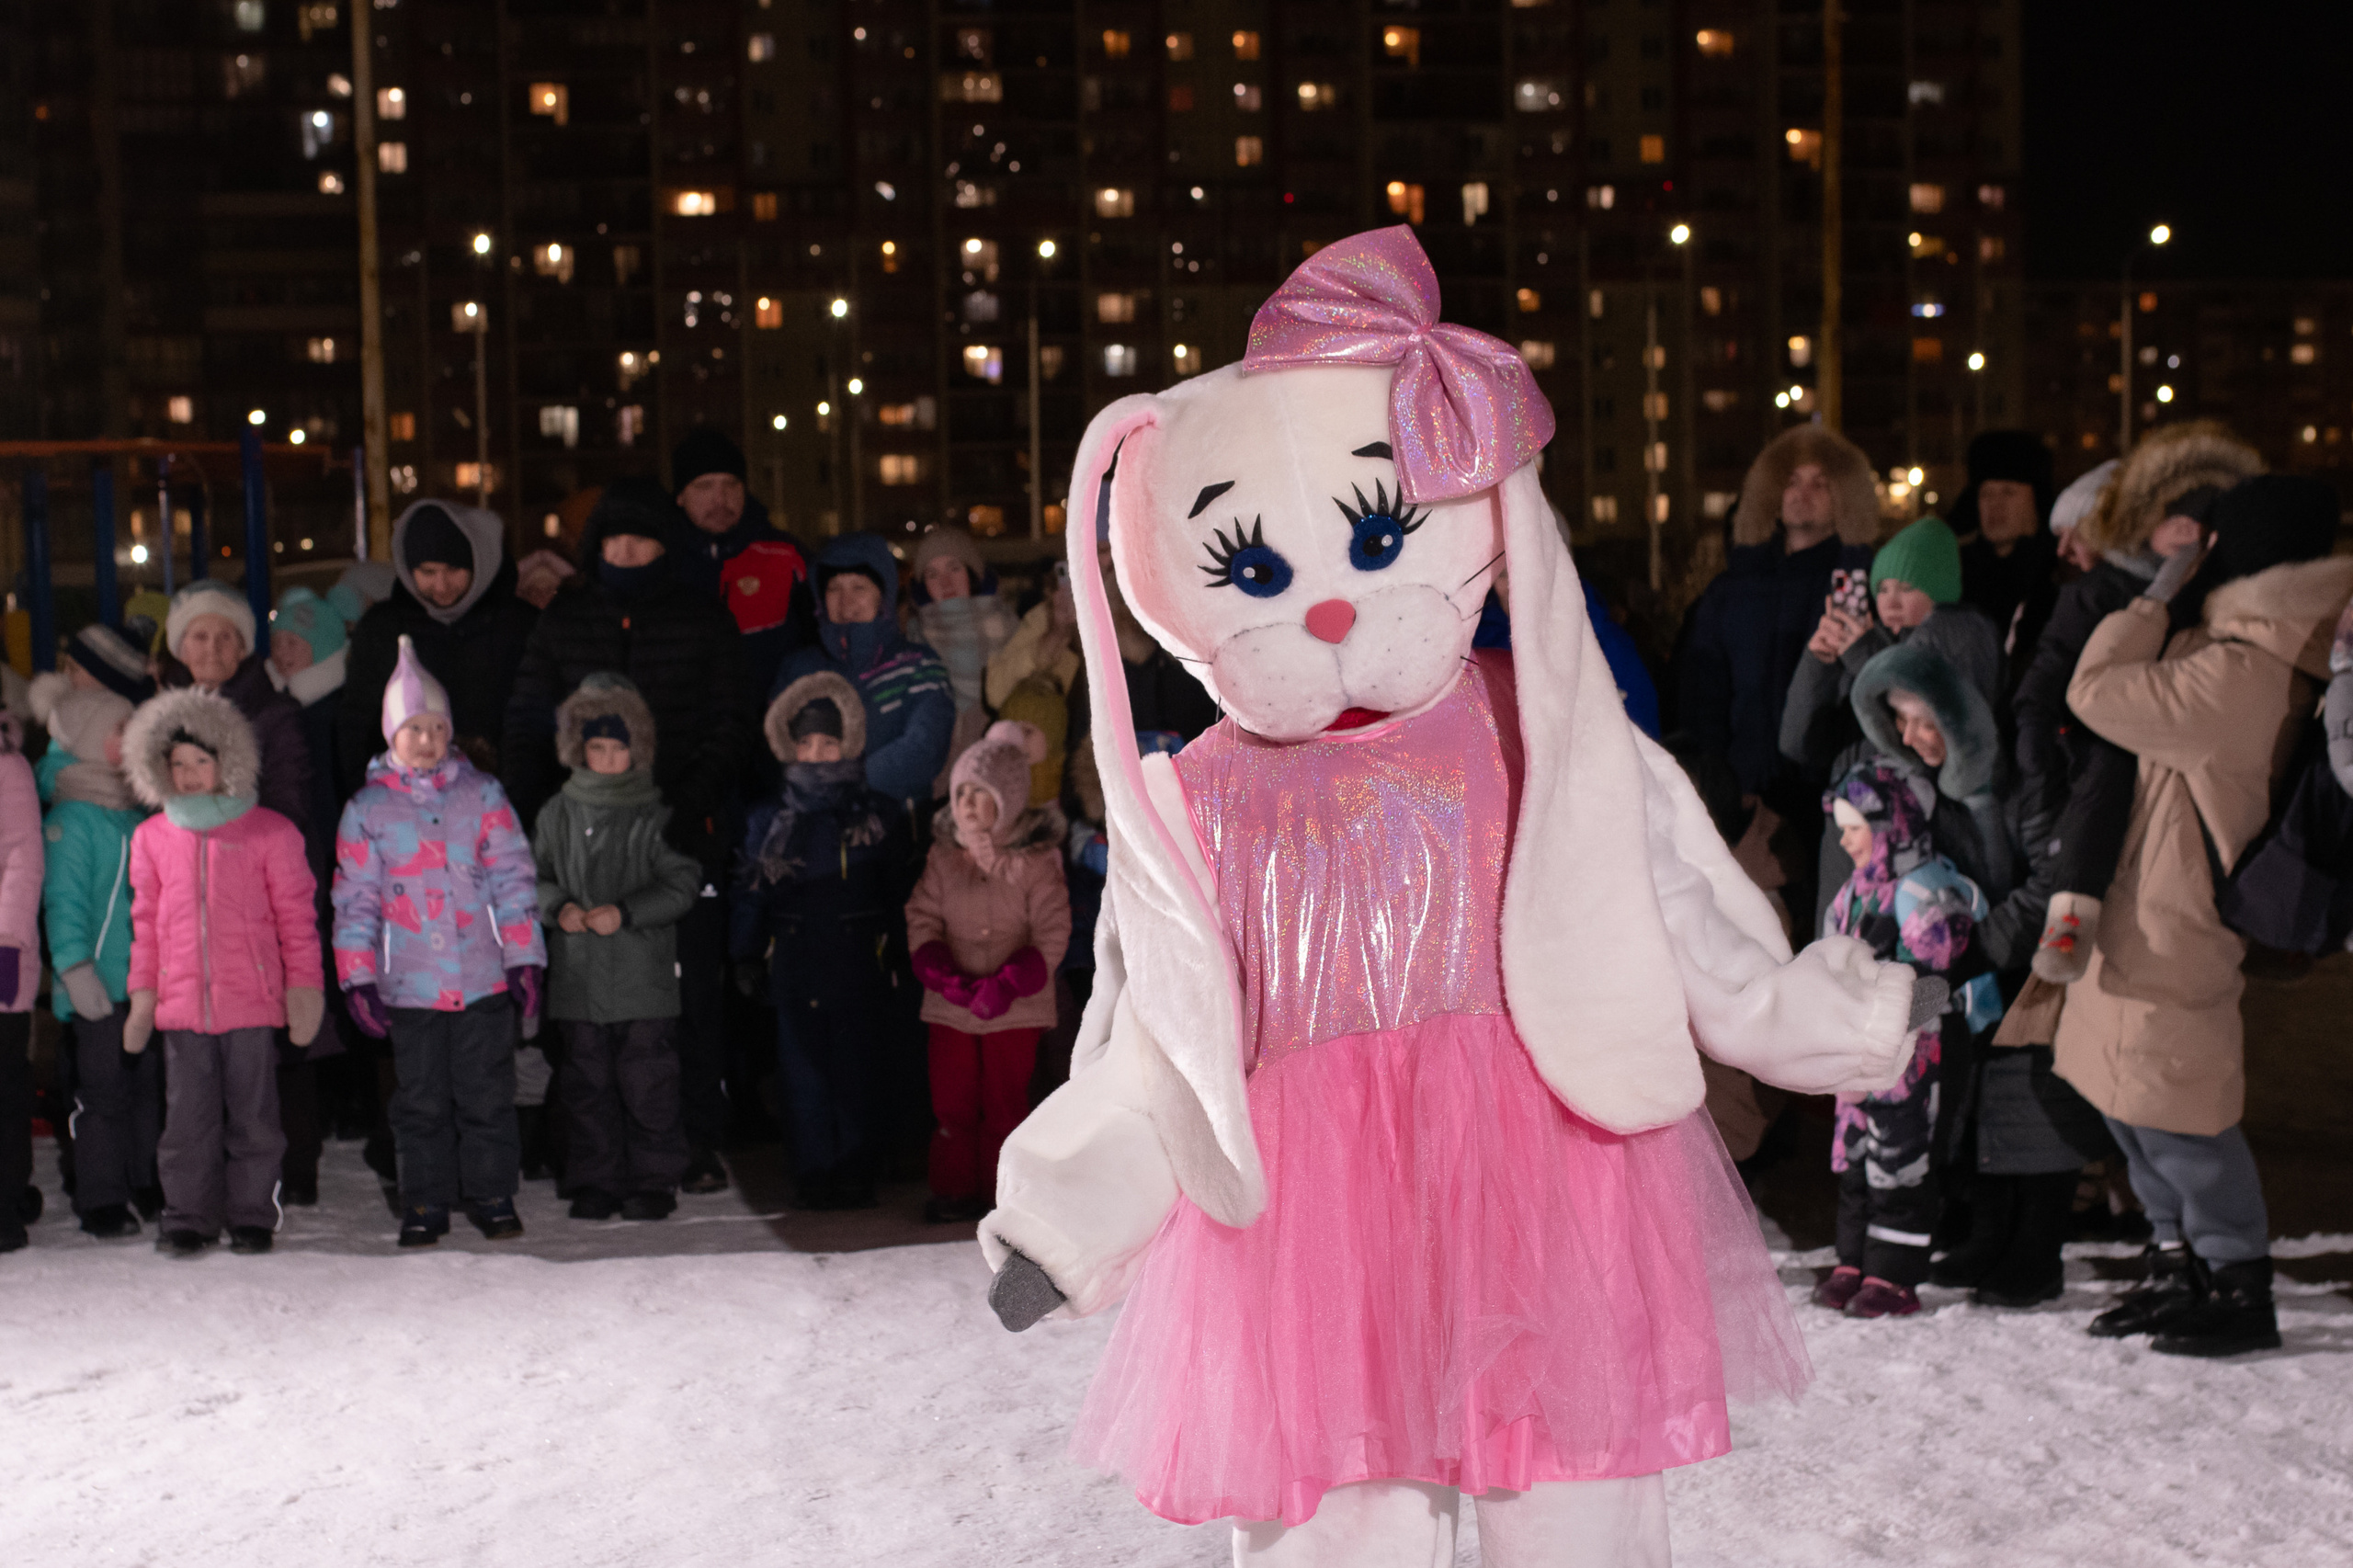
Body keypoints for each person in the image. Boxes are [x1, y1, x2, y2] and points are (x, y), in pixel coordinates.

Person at [2056, 474, 2353, 1358]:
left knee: (2181, 1115)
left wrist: (2153, 595)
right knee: (2128, 1099)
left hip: (2174, 922)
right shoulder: (2243, 651)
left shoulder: (2239, 671)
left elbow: (2096, 690)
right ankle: (2182, 1265)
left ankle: (2237, 1282)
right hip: (2149, 908)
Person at [1845, 638, 2110, 1307]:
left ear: (1960, 714)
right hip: (1970, 962)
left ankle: (2037, 1246)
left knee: (2035, 1091)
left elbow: (2053, 877)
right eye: (1900, 721)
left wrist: (1977, 947)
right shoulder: (1919, 789)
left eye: (1924, 719)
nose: (1911, 735)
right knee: (1970, 1084)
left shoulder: (2023, 770)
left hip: (2044, 950)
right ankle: (1988, 1230)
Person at [504, 478, 749, 1195]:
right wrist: (542, 820)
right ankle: (589, 1153)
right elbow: (526, 723)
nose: (628, 552)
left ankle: (692, 1140)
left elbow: (730, 719)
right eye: (615, 541)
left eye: (640, 540)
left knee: (685, 1005)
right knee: (585, 1016)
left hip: (676, 839)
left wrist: (684, 806)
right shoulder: (564, 621)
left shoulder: (701, 618)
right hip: (582, 847)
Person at [2018, 426, 2264, 982]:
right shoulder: (2094, 594)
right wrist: (2042, 794)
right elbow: (2046, 694)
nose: (2063, 549)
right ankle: (2070, 916)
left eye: (2074, 530)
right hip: (2095, 775)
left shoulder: (2209, 595)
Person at [335, 638, 546, 1248]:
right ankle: (424, 1199)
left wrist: (524, 956)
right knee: (421, 1100)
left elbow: (513, 879)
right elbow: (355, 900)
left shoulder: (482, 797)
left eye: (436, 727)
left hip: (481, 976)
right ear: (390, 735)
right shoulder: (368, 810)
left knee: (487, 1091)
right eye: (412, 728)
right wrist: (359, 976)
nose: (426, 740)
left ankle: (492, 1192)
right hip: (411, 985)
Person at [121, 689, 325, 1257]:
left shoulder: (271, 833)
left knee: (255, 1117)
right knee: (186, 1120)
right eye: (178, 764)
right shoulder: (152, 838)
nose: (188, 775)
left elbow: (297, 919)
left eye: (201, 763)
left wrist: (304, 989)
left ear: (228, 763)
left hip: (251, 1003)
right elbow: (146, 924)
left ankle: (253, 1214)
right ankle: (188, 1216)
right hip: (182, 1007)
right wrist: (144, 994)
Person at [1811, 760, 1999, 1319]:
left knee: (1904, 1158)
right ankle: (1855, 1258)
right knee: (1857, 1151)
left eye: (1855, 828)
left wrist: (1888, 1015)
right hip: (1863, 1049)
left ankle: (1894, 1272)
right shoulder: (1852, 894)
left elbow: (1943, 980)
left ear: (1890, 825)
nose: (1845, 840)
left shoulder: (1927, 890)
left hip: (1921, 1052)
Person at [159, 579, 324, 1204]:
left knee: (270, 1043)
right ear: (181, 645)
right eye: (199, 635)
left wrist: (229, 844)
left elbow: (291, 801)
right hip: (186, 902)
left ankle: (283, 1180)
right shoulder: (162, 712)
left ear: (242, 647)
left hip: (255, 893)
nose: (211, 647)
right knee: (193, 1066)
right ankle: (192, 1195)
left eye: (225, 637)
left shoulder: (272, 712)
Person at [733, 672, 913, 1210]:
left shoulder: (876, 815)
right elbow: (751, 892)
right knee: (803, 1072)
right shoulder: (771, 818)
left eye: (827, 742)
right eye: (807, 743)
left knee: (858, 1068)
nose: (816, 754)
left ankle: (857, 1167)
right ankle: (813, 1171)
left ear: (848, 743)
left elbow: (899, 889)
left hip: (860, 956)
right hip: (795, 956)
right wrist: (744, 952)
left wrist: (904, 951)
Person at [1781, 515, 2002, 935]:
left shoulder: (1956, 642)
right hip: (1850, 846)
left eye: (1907, 588)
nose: (1891, 602)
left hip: (1913, 854)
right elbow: (1798, 742)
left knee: (1904, 982)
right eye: (1882, 589)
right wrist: (1818, 663)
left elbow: (1924, 717)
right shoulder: (1869, 647)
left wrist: (1864, 653)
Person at [533, 675, 699, 1221]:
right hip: (578, 981)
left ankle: (653, 1179)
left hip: (641, 980)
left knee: (648, 1083)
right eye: (595, 747)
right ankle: (594, 1180)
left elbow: (681, 882)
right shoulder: (557, 813)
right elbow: (530, 877)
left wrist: (625, 912)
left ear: (638, 750)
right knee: (585, 1086)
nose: (605, 758)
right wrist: (559, 906)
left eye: (617, 747)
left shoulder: (657, 814)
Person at [906, 721, 1072, 1226]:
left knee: (1004, 1101)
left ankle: (1002, 1194)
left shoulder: (1035, 862)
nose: (969, 806)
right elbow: (923, 917)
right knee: (952, 1099)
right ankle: (954, 1188)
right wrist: (941, 973)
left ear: (1009, 800)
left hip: (1012, 1009)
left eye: (983, 795)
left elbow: (1051, 931)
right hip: (952, 1009)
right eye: (962, 794)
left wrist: (1009, 983)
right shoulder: (943, 859)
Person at [1677, 426, 1880, 805]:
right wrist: (1714, 780)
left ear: (1845, 496)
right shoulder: (1732, 590)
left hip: (1832, 792)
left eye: (1820, 483)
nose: (1802, 494)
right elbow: (1701, 693)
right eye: (1791, 482)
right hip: (1743, 788)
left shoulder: (1861, 583)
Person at [40, 690, 158, 1240]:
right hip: (97, 984)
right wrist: (73, 965)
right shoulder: (72, 817)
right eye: (119, 729)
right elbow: (64, 901)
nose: (130, 737)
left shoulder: (138, 812)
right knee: (103, 1091)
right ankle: (102, 1196)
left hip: (144, 984)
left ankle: (145, 1180)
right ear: (89, 738)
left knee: (147, 1087)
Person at [340, 500, 539, 796]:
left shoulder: (521, 626)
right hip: (405, 807)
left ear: (478, 563)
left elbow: (535, 724)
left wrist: (516, 800)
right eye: (428, 572)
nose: (442, 585)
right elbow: (356, 727)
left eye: (454, 570)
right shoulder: (382, 629)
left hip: (502, 804)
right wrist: (370, 801)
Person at [774, 532, 956, 818]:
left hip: (895, 832)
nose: (845, 601)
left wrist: (847, 781)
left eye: (859, 587)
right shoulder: (799, 669)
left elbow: (924, 748)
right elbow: (778, 746)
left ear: (883, 595)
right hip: (814, 834)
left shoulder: (919, 665)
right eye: (834, 588)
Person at [670, 426, 814, 699]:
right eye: (704, 486)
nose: (720, 499)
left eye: (731, 484)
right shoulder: (661, 562)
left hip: (772, 730)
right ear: (680, 495)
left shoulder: (786, 556)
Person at [909, 525, 1020, 782]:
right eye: (932, 574)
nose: (945, 582)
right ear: (923, 586)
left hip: (1001, 770)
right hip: (940, 778)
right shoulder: (912, 638)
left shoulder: (1010, 627)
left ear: (972, 573)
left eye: (954, 568)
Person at [1946, 430, 2058, 668]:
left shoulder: (2059, 571)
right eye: (1986, 493)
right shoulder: (1954, 571)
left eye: (2008, 491)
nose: (1995, 504)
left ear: (2035, 499)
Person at [0, 710, 40, 1255]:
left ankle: (6, 1199)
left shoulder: (8, 767)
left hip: (2, 951)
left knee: (5, 1085)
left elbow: (23, 856)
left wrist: (8, 939)